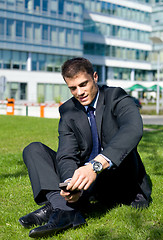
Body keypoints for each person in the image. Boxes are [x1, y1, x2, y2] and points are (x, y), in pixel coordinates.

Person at [19, 57, 152, 238]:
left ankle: (59, 209)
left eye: (83, 84)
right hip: (85, 182)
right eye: (73, 88)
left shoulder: (116, 97)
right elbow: (67, 155)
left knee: (109, 158)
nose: (79, 92)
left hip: (117, 176)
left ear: (95, 77)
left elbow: (133, 129)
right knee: (34, 150)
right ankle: (64, 207)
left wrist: (95, 166)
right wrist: (70, 185)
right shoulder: (68, 110)